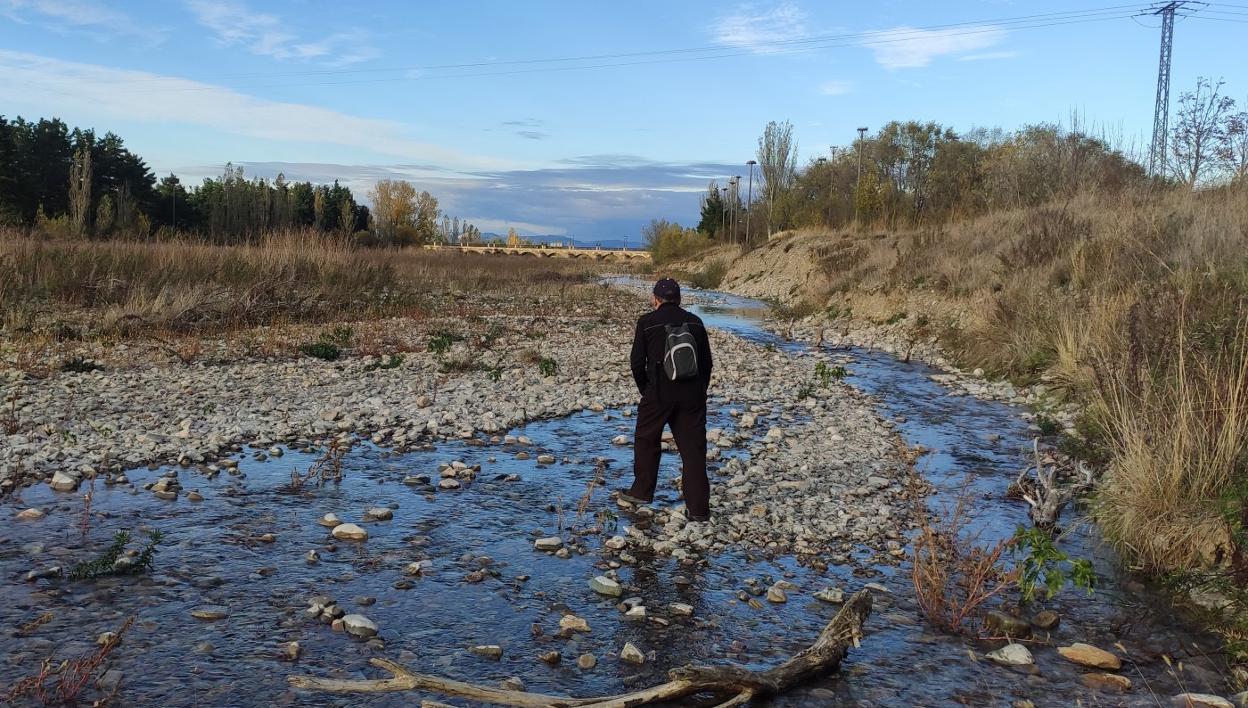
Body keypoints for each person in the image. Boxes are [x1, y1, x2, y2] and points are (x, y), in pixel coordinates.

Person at [618, 278, 713, 521]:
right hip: (691, 396)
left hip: (658, 393)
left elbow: (637, 363)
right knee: (693, 451)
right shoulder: (696, 322)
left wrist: (646, 390)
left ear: (655, 299)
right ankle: (699, 509)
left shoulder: (647, 322)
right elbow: (706, 364)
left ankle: (641, 492)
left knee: (646, 440)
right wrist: (700, 391)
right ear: (679, 298)